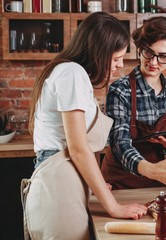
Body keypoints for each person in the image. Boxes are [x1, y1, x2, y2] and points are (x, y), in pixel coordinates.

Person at [23, 12, 147, 240]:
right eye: (116, 57)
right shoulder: (72, 73)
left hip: (64, 181)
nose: (120, 65)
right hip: (58, 184)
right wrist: (114, 206)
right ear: (99, 52)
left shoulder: (69, 72)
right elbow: (78, 149)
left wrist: (95, 186)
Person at [101, 16, 166, 190]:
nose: (153, 62)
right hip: (121, 184)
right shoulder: (120, 90)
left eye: (163, 57)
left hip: (159, 185)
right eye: (148, 52)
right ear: (140, 49)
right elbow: (119, 144)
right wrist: (152, 170)